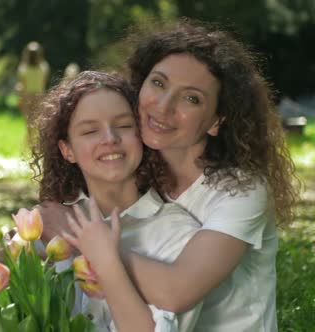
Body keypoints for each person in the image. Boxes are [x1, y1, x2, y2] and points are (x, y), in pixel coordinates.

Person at [38, 19, 300, 331]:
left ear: (216, 121)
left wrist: (79, 235)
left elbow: (176, 292)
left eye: (191, 98)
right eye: (159, 83)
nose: (163, 107)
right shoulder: (136, 171)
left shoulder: (240, 191)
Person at [29, 71, 203, 331]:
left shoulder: (179, 233)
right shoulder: (47, 224)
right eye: (90, 130)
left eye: (123, 126)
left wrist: (100, 254)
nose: (110, 138)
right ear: (67, 150)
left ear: (142, 136)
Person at [15, 41, 50, 120]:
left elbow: (22, 85)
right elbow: (44, 83)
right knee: (37, 119)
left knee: (28, 119)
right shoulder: (44, 67)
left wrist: (20, 98)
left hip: (27, 96)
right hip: (40, 95)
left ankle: (30, 133)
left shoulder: (23, 68)